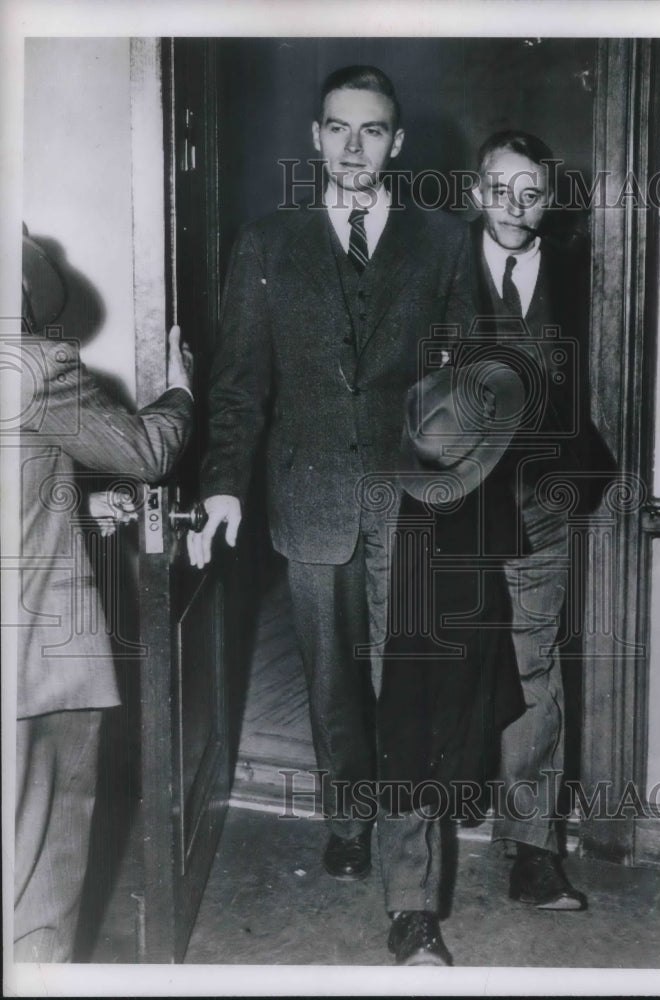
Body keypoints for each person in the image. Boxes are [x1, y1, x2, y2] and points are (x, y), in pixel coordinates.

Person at [187, 66, 473, 900]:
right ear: (315, 138)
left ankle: (405, 839)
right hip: (309, 495)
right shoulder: (266, 243)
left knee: (406, 675)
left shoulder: (445, 242)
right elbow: (240, 385)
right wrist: (223, 484)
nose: (354, 147)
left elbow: (464, 389)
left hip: (411, 500)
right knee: (331, 675)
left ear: (397, 142)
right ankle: (346, 819)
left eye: (372, 130)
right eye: (338, 129)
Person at [13, 232, 194, 962]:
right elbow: (148, 451)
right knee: (37, 881)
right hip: (34, 666)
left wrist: (76, 508)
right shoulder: (33, 365)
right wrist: (181, 387)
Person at [469, 131, 616, 911]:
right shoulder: (434, 268)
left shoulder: (584, 275)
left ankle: (532, 850)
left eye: (531, 192)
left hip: (538, 510)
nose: (514, 206)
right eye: (500, 189)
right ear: (475, 193)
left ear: (548, 201)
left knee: (533, 674)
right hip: (448, 513)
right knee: (442, 667)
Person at [377, 358, 527, 965]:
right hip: (430, 584)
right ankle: (411, 909)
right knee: (414, 727)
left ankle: (414, 894)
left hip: (449, 570)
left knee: (434, 717)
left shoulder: (465, 492)